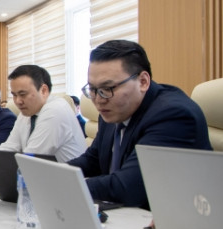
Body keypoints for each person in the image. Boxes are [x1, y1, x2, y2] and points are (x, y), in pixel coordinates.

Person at [69, 40, 211, 209]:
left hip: (167, 218)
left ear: (143, 81)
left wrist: (65, 186)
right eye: (92, 89)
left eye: (108, 88)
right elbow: (92, 160)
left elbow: (128, 187)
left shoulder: (173, 115)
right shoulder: (112, 110)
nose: (98, 99)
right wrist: (53, 174)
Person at [0, 65, 85, 162]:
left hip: (66, 171)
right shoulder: (27, 112)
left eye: (23, 94)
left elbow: (30, 159)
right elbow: (10, 147)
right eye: (14, 95)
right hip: (41, 170)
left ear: (43, 90)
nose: (18, 101)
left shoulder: (55, 110)